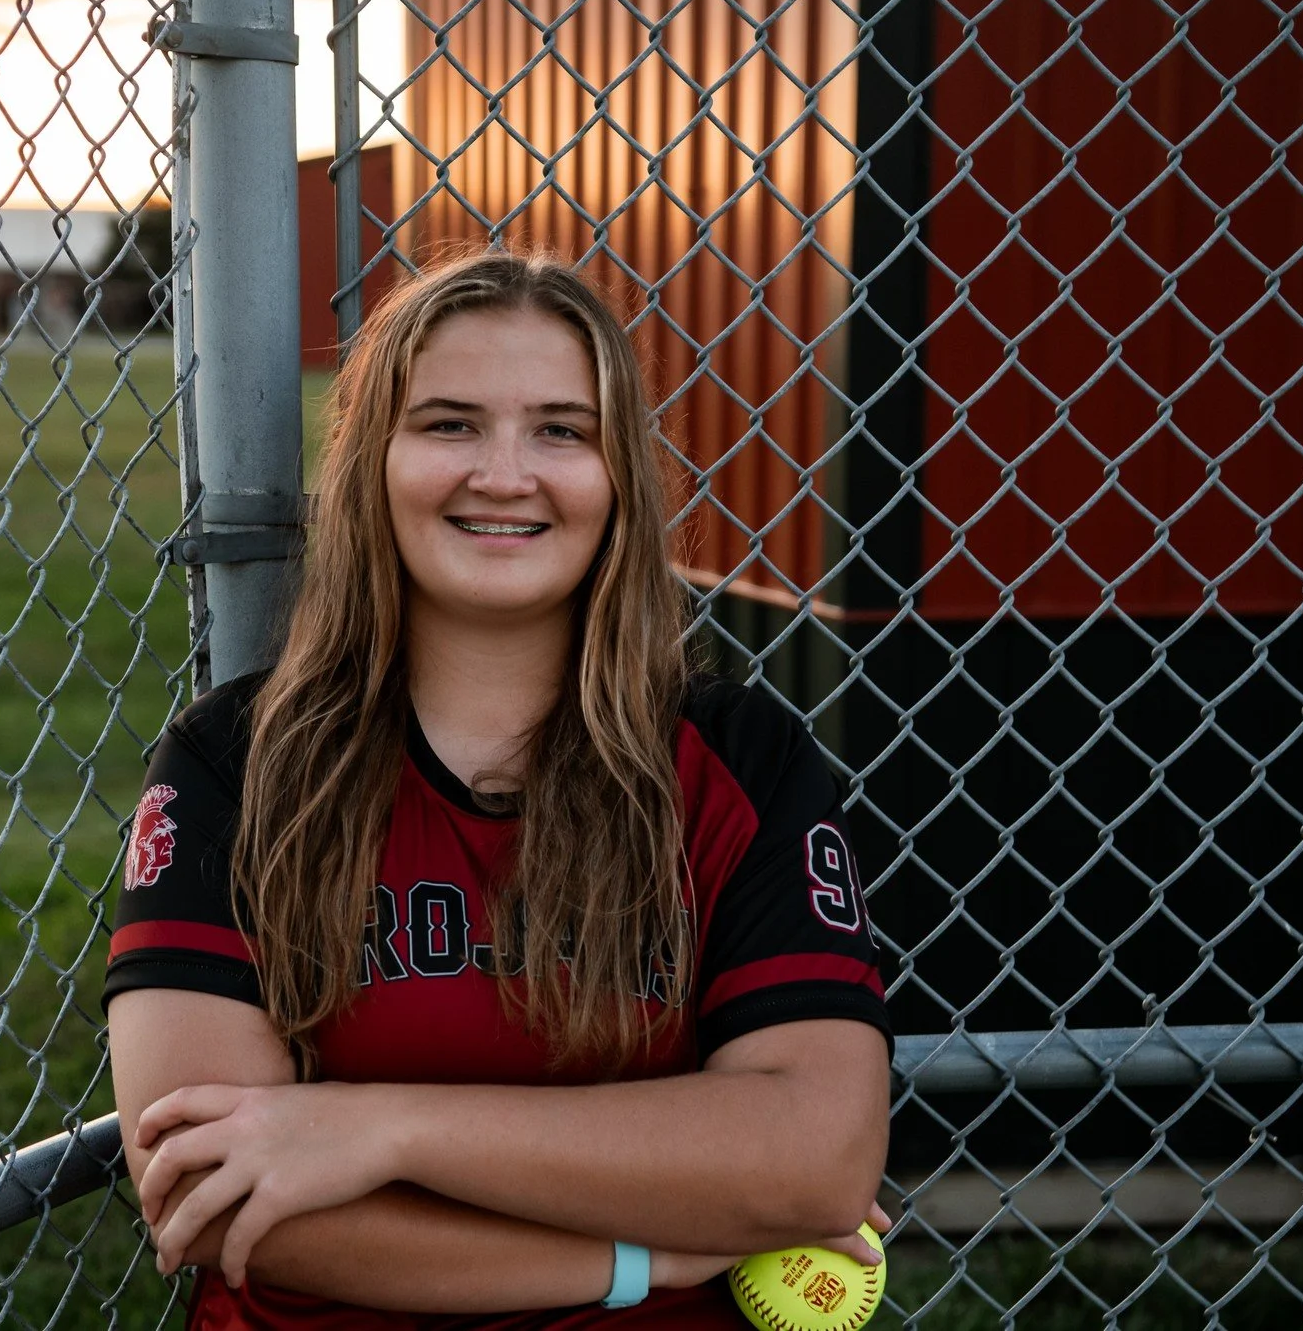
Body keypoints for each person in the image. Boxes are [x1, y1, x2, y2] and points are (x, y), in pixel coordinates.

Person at [103, 251, 892, 1328]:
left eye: (560, 430)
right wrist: (644, 1259)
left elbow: (813, 1158)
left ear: (618, 473)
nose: (504, 473)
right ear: (371, 459)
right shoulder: (234, 762)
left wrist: (377, 1130)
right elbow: (212, 1198)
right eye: (448, 424)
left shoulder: (738, 761)